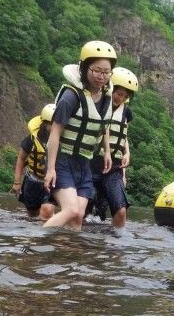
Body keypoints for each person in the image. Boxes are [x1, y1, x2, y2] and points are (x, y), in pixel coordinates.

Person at [43, 40, 114, 229]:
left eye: (106, 72)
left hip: (84, 162)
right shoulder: (70, 97)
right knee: (71, 210)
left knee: (78, 217)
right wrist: (50, 169)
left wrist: (106, 151)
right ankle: (32, 246)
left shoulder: (107, 98)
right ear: (84, 68)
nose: (101, 76)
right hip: (62, 160)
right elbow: (55, 133)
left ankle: (67, 256)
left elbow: (102, 124)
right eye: (96, 70)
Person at [89, 66, 137, 233]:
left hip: (114, 167)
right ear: (112, 89)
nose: (120, 98)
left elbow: (123, 136)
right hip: (92, 162)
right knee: (84, 207)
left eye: (125, 96)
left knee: (121, 211)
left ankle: (112, 246)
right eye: (118, 93)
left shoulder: (127, 112)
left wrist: (127, 153)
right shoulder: (99, 102)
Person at [11, 103, 57, 221]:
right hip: (33, 180)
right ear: (45, 123)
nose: (56, 127)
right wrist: (17, 182)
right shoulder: (32, 138)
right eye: (53, 124)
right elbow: (21, 159)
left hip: (51, 183)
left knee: (46, 211)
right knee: (32, 215)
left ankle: (45, 235)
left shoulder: (61, 139)